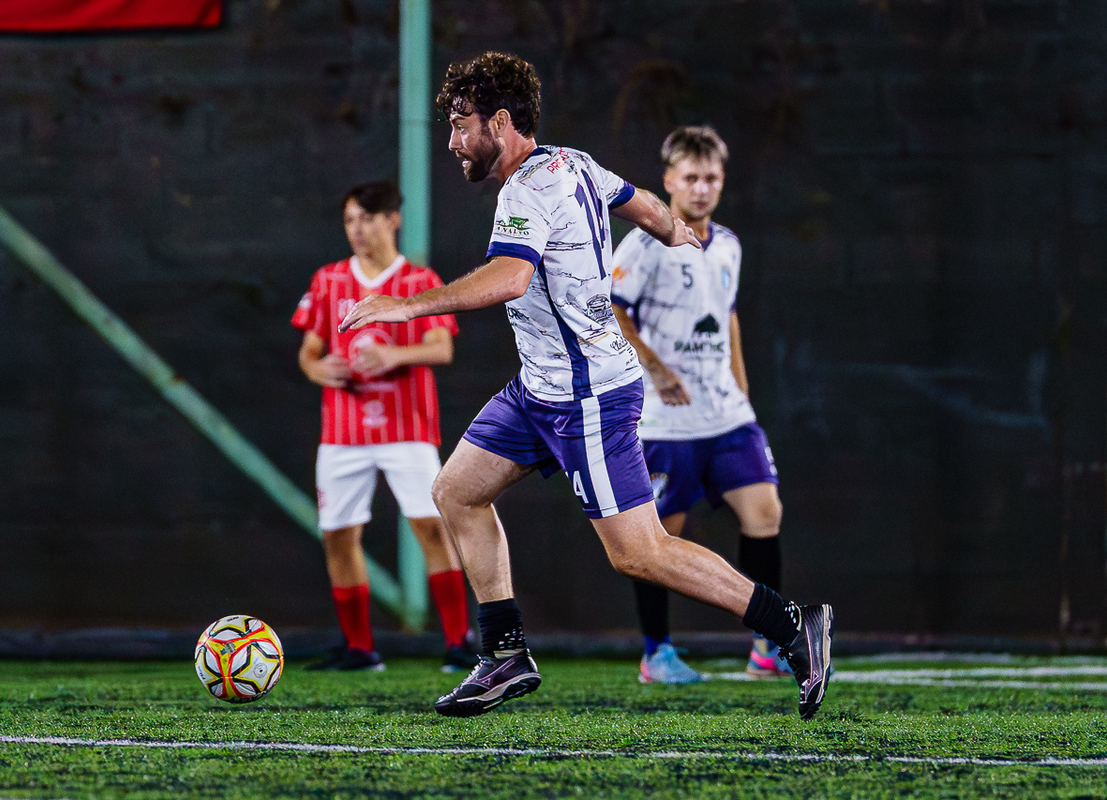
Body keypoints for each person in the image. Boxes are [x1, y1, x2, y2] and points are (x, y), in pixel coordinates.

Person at [338, 52, 832, 719]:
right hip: (538, 390)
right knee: (456, 491)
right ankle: (504, 653)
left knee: (640, 553)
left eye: (460, 124)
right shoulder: (573, 161)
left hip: (587, 396)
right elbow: (639, 202)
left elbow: (510, 277)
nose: (453, 141)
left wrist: (405, 306)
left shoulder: (525, 191)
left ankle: (791, 625)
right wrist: (672, 229)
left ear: (500, 122)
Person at [611, 125, 790, 685]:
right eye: (691, 177)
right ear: (669, 181)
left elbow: (728, 316)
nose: (702, 188)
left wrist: (742, 389)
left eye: (711, 178)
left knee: (765, 513)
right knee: (658, 538)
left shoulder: (729, 244)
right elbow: (611, 309)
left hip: (727, 414)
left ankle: (768, 644)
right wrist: (655, 368)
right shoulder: (644, 244)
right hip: (664, 421)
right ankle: (656, 653)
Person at [292, 180, 477, 673]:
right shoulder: (329, 280)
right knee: (338, 535)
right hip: (343, 432)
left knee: (431, 528)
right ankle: (359, 648)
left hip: (406, 429)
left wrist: (393, 355)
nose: (357, 229)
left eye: (367, 218)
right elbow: (309, 352)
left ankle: (458, 643)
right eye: (349, 220)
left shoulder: (419, 280)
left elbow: (441, 348)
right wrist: (319, 369)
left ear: (393, 220)